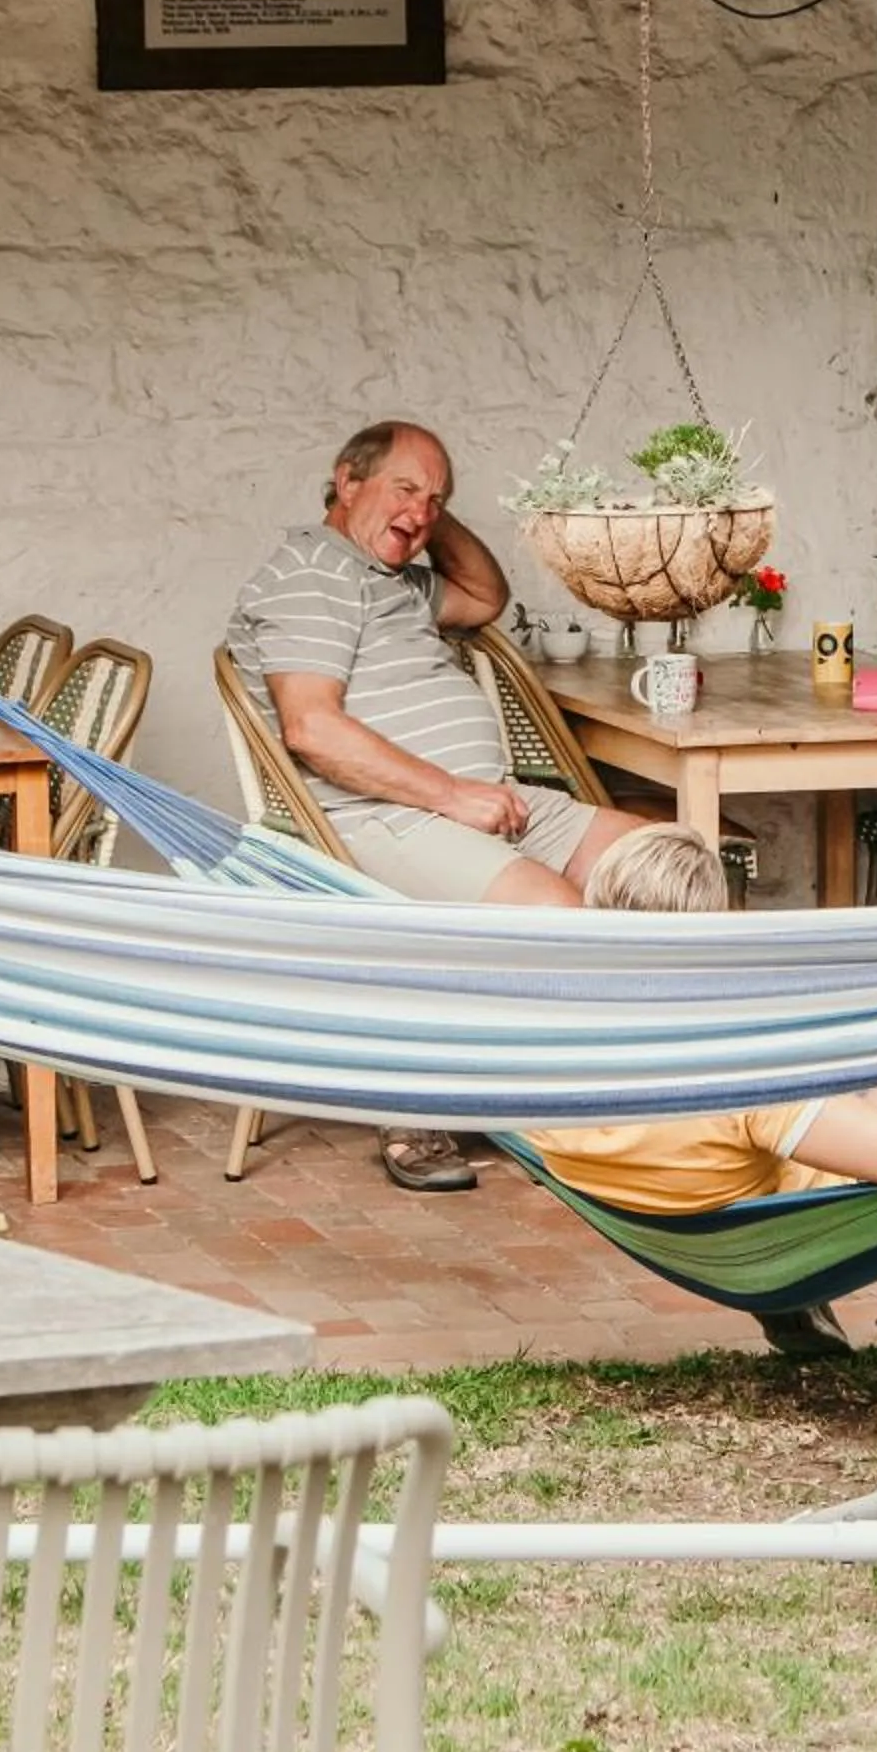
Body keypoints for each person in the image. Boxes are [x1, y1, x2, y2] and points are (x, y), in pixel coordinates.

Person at [228, 417, 641, 1191]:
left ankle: (679, 1088)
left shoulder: (393, 580)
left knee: (666, 866)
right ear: (346, 480)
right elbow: (312, 728)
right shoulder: (310, 574)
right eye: (403, 488)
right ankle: (513, 1107)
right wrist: (452, 795)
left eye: (437, 498)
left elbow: (485, 596)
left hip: (486, 802)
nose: (420, 512)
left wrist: (420, 516)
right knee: (559, 918)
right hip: (380, 816)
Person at [524, 826, 877, 1387]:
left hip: (700, 1221)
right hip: (802, 1223)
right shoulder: (733, 1070)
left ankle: (796, 1304)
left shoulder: (542, 1049)